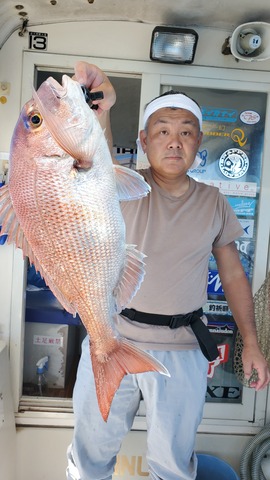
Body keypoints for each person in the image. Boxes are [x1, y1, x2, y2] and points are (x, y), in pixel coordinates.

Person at [66, 61, 270, 480]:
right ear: (143, 140)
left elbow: (233, 276)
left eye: (185, 132)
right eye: (162, 131)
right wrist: (100, 109)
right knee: (88, 459)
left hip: (182, 350)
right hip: (112, 339)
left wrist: (250, 343)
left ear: (198, 143)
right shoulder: (123, 187)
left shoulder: (214, 202)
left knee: (174, 466)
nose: (173, 142)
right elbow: (95, 161)